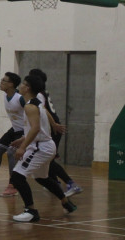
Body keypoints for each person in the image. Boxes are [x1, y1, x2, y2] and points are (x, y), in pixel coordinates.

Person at [10, 75, 77, 222]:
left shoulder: (29, 107)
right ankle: (66, 203)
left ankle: (31, 211)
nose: (20, 86)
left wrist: (22, 147)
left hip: (40, 147)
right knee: (42, 178)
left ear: (27, 88)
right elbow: (42, 119)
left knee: (17, 177)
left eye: (23, 84)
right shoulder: (37, 103)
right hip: (46, 145)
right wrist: (24, 138)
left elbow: (35, 129)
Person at [29, 68, 83, 198]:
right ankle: (55, 183)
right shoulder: (43, 92)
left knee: (47, 159)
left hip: (52, 128)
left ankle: (71, 183)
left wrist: (53, 125)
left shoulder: (38, 95)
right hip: (52, 127)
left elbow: (43, 110)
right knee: (48, 160)